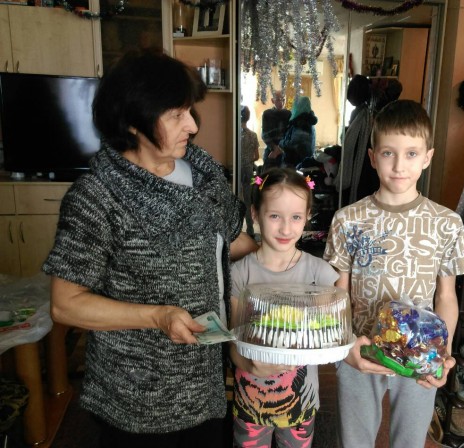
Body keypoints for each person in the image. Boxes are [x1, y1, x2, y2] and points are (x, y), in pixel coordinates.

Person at [42, 50, 257, 448]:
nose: (192, 125)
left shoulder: (204, 173)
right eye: (176, 115)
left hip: (206, 379)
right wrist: (158, 316)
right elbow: (66, 305)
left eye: (189, 110)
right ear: (132, 121)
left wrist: (285, 254)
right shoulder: (98, 196)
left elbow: (231, 243)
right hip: (137, 396)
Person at [324, 100, 464, 448]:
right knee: (354, 441)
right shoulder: (348, 219)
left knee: (410, 441)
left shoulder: (446, 223)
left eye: (411, 154)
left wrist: (442, 355)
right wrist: (344, 346)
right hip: (361, 349)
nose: (398, 165)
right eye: (388, 153)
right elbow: (338, 292)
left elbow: (446, 296)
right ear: (373, 157)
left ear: (427, 157)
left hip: (422, 354)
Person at [229, 167, 339, 448]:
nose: (286, 228)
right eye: (275, 216)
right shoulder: (240, 274)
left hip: (301, 399)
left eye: (296, 217)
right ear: (255, 214)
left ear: (308, 216)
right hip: (250, 399)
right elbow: (233, 343)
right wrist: (249, 364)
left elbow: (329, 335)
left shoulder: (321, 275)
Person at [279, 96, 318, 168]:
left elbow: (293, 144)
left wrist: (281, 142)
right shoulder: (309, 121)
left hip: (295, 163)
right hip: (304, 162)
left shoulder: (301, 123)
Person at [241, 105, 260, 236]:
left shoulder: (235, 135)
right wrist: (248, 160)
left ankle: (236, 231)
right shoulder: (253, 135)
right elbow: (257, 156)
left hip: (237, 170)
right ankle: (250, 230)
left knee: (236, 198)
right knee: (248, 200)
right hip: (248, 169)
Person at [261, 90, 291, 171]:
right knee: (267, 175)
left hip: (285, 151)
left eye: (283, 99)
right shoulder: (267, 114)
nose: (281, 102)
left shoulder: (289, 114)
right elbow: (264, 134)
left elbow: (290, 134)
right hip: (271, 150)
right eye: (278, 100)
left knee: (283, 176)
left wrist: (280, 149)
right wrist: (274, 148)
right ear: (272, 100)